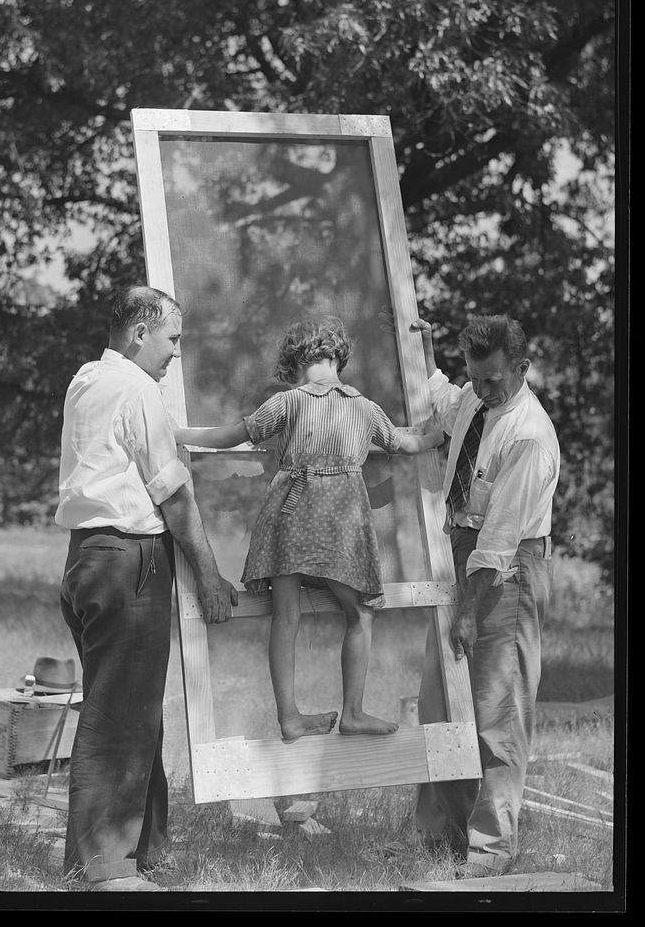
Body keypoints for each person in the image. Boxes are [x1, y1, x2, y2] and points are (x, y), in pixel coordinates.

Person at [173, 316, 444, 745]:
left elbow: (229, 436)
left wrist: (177, 433)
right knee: (359, 614)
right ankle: (353, 711)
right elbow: (404, 444)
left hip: (291, 512)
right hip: (342, 520)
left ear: (297, 360)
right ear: (338, 358)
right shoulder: (365, 408)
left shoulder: (287, 402)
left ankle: (289, 717)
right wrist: (435, 436)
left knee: (286, 616)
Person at [55, 285, 238, 893]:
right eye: (172, 339)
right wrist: (211, 576)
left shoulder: (86, 379)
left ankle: (145, 848)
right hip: (126, 559)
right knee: (120, 713)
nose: (176, 354)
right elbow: (175, 496)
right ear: (140, 332)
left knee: (136, 708)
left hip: (88, 557)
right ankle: (105, 865)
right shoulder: (138, 389)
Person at [408, 313, 560, 876]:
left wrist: (467, 614)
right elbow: (443, 398)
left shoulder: (529, 436)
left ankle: (490, 849)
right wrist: (422, 350)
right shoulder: (476, 396)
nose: (484, 387)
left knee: (498, 711)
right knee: (442, 702)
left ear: (522, 368)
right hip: (459, 561)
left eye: (495, 379)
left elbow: (497, 541)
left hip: (505, 573)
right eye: (476, 375)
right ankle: (439, 836)